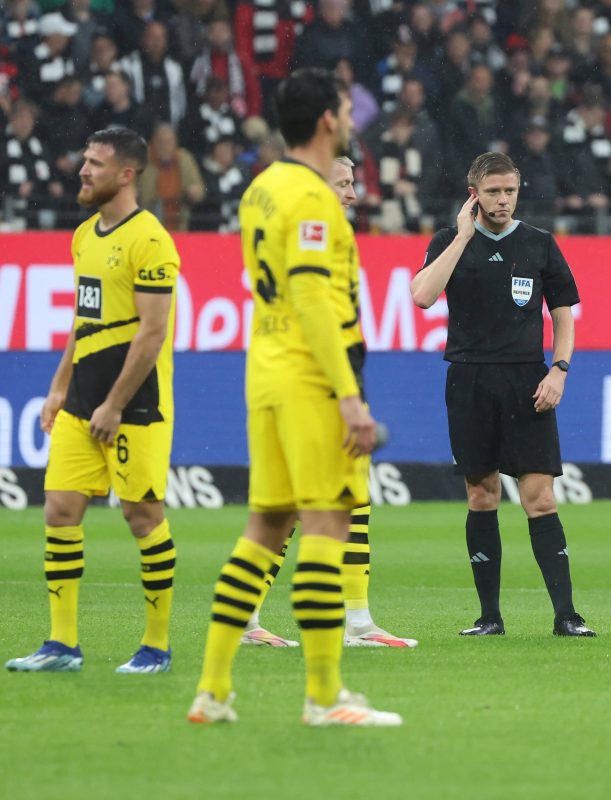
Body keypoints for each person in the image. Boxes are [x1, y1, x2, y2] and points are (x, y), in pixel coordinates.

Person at [188, 68, 401, 726]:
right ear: (328, 121)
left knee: (264, 528)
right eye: (345, 104)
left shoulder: (262, 190)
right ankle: (324, 696)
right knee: (326, 524)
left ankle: (214, 689)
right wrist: (348, 396)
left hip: (265, 367)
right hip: (310, 375)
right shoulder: (312, 197)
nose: (351, 113)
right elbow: (312, 296)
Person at [6, 127, 181, 675]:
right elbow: (85, 323)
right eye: (84, 161)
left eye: (95, 164)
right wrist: (60, 388)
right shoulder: (84, 236)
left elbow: (151, 333)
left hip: (137, 406)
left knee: (141, 515)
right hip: (83, 401)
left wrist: (113, 404)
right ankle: (62, 644)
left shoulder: (150, 240)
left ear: (127, 174)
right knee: (59, 510)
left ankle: (155, 647)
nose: (82, 171)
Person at [410, 151, 594, 638]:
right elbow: (423, 296)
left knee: (540, 498)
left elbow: (564, 315)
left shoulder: (539, 244)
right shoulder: (449, 241)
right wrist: (464, 237)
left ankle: (566, 616)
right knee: (482, 494)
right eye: (493, 191)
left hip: (526, 381)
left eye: (510, 190)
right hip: (468, 380)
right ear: (475, 193)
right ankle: (489, 617)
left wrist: (559, 370)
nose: (503, 199)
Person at [242, 155, 418, 650]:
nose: (352, 194)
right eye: (342, 183)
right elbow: (319, 312)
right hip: (317, 381)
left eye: (352, 183)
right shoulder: (315, 238)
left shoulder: (282, 219)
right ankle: (353, 626)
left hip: (290, 375)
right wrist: (346, 393)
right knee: (339, 502)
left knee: (292, 509)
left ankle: (245, 622)